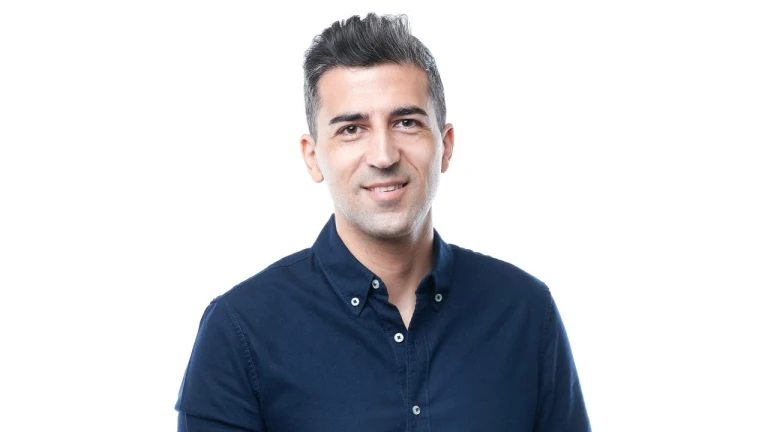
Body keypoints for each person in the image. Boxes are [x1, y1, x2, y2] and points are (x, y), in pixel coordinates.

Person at [175, 12, 591, 432]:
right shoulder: (240, 330)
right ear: (312, 157)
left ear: (445, 146)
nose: (383, 155)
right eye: (351, 129)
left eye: (406, 123)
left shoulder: (525, 311)